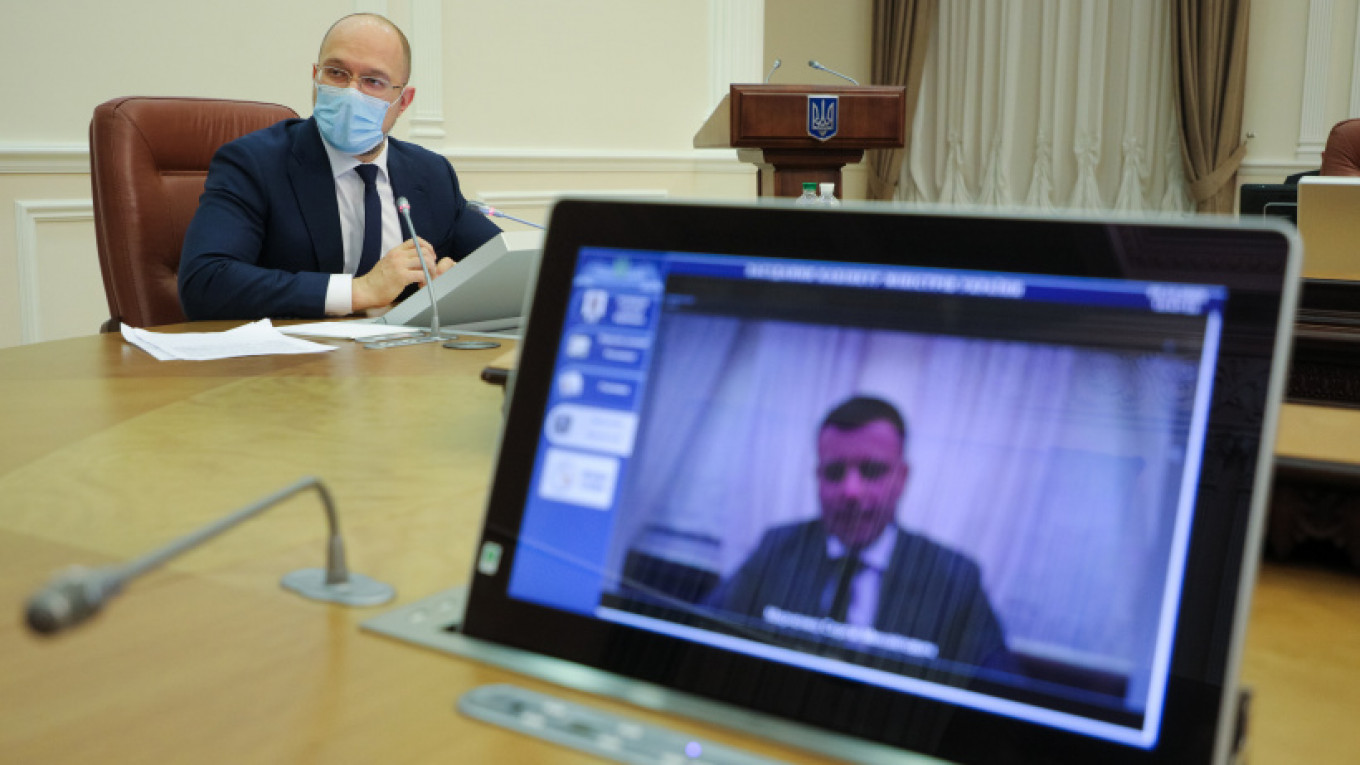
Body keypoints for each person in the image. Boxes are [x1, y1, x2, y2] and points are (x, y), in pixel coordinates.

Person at [178, 13, 501, 321]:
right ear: (315, 76)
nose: (350, 92)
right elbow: (205, 282)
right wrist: (360, 291)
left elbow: (507, 264)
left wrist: (462, 282)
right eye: (336, 73)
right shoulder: (254, 162)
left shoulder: (431, 173)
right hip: (293, 354)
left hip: (401, 355)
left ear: (403, 102)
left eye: (373, 81)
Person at [705, 395, 1011, 670]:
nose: (850, 491)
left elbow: (999, 692)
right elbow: (703, 633)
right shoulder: (778, 548)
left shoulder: (954, 579)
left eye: (872, 471)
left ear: (902, 478)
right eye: (834, 472)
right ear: (818, 477)